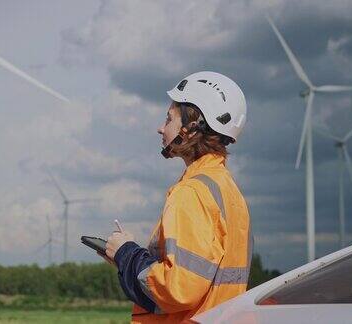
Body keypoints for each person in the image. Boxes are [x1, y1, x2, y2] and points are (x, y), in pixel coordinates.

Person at [101, 71, 252, 323]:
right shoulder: (228, 191)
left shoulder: (192, 192)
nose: (160, 128)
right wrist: (124, 261)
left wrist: (127, 254)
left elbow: (179, 289)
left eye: (169, 118)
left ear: (192, 129)